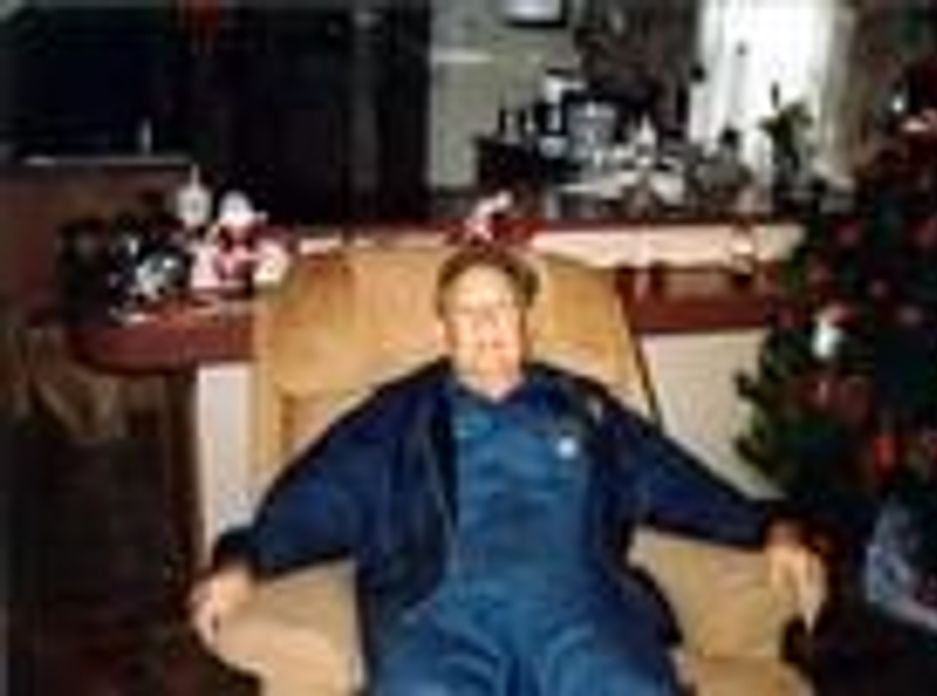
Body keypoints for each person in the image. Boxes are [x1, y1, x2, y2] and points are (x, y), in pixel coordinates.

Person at [190, 244, 825, 695]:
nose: (487, 323)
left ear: (524, 321)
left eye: (500, 307)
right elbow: (319, 496)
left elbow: (674, 481)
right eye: (466, 311)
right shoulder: (399, 414)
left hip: (581, 613)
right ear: (443, 329)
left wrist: (773, 530)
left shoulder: (584, 407)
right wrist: (245, 561)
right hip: (441, 618)